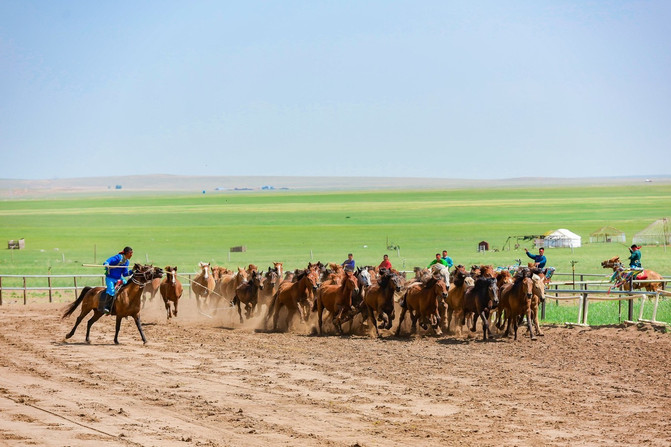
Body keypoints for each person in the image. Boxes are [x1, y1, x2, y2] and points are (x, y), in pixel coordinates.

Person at [99, 246, 134, 314]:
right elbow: (107, 261)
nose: (131, 255)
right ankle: (106, 307)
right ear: (127, 253)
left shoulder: (127, 262)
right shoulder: (118, 257)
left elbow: (125, 274)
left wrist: (132, 271)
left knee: (127, 286)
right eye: (130, 253)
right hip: (110, 278)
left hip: (119, 278)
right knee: (111, 290)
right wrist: (106, 264)